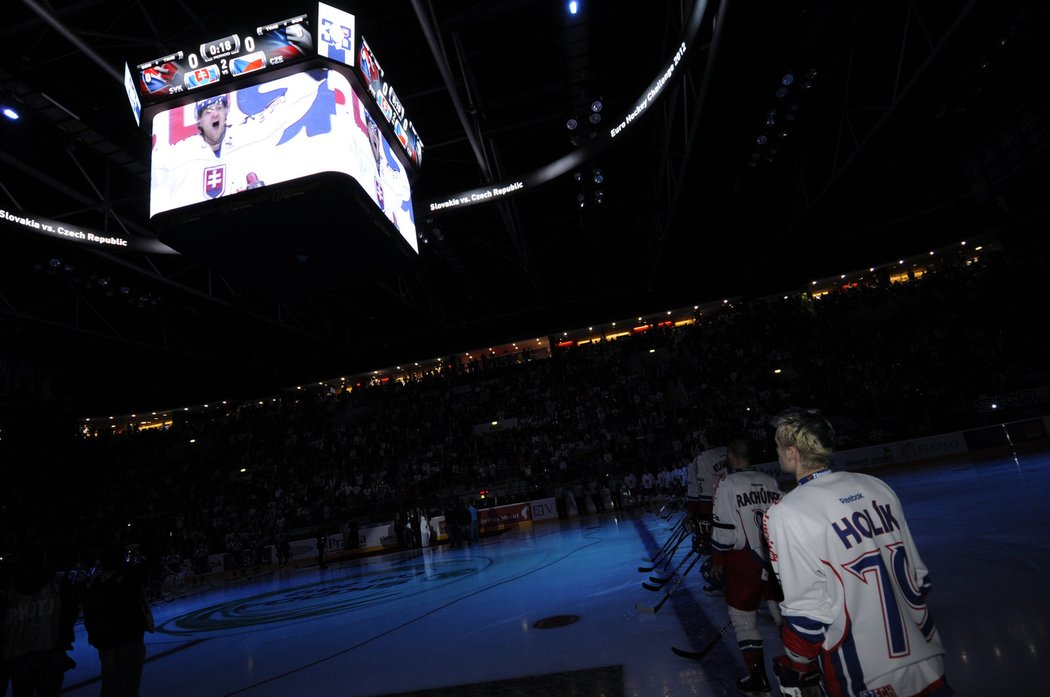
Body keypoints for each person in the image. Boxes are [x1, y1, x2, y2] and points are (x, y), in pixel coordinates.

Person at [764, 408, 953, 697]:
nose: (776, 453)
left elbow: (808, 612)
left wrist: (797, 662)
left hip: (864, 674)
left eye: (778, 446)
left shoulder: (787, 512)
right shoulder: (876, 486)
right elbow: (920, 579)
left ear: (792, 453)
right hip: (926, 658)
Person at [708, 438, 783, 695]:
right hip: (775, 559)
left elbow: (725, 530)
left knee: (743, 620)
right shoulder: (770, 480)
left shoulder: (727, 484)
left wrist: (717, 560)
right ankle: (802, 667)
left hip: (744, 561)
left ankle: (757, 676)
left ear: (730, 455)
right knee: (782, 614)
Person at [0, 542, 78, 697]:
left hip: (19, 658)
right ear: (44, 557)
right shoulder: (58, 581)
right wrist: (63, 646)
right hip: (50, 655)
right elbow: (70, 614)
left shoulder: (9, 586)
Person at [82, 544, 155, 697]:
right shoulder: (130, 578)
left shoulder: (96, 584)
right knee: (129, 685)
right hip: (129, 639)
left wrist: (96, 638)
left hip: (107, 643)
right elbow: (150, 562)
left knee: (109, 686)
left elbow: (89, 614)